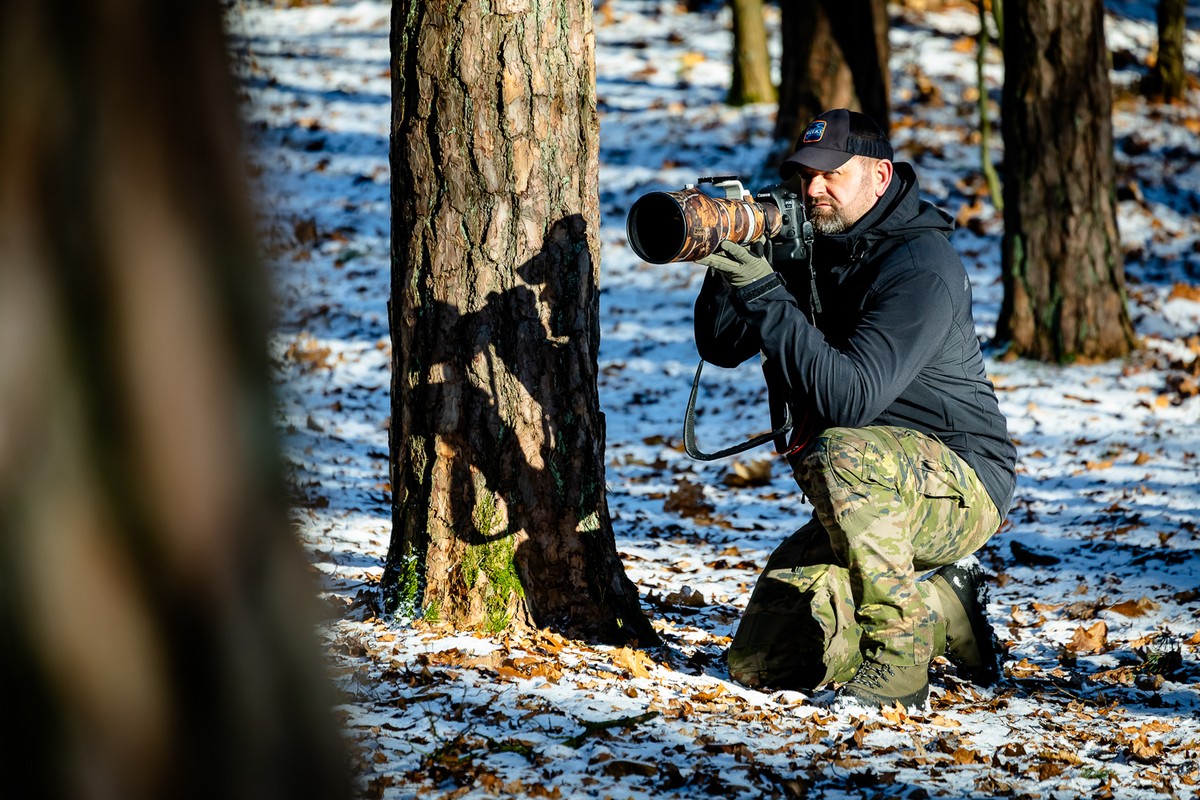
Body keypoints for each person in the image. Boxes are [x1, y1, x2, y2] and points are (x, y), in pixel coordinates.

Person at [692, 108, 1017, 711]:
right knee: (766, 661)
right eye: (803, 175)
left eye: (830, 175)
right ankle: (948, 613)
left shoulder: (921, 266)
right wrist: (730, 254)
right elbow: (720, 345)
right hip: (872, 484)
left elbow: (849, 400)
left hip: (963, 482)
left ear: (880, 175)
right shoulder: (814, 240)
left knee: (843, 452)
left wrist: (764, 290)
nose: (812, 189)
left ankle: (899, 668)